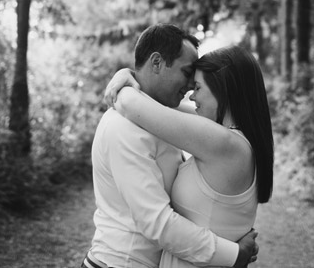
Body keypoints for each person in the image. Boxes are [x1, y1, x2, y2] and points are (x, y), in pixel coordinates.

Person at [81, 24, 259, 268]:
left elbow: (208, 119)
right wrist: (232, 254)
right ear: (156, 63)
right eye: (187, 73)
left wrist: (126, 79)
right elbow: (157, 222)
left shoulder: (163, 116)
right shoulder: (124, 128)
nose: (189, 88)